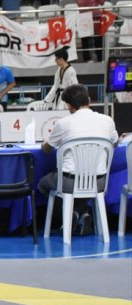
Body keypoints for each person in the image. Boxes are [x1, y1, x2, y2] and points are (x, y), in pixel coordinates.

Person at [37, 84, 117, 235]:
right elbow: (116, 142)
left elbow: (46, 149)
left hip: (69, 181)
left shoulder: (63, 123)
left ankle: (71, 214)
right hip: (99, 181)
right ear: (89, 100)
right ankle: (83, 213)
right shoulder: (107, 120)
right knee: (85, 187)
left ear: (68, 106)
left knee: (42, 184)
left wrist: (44, 142)